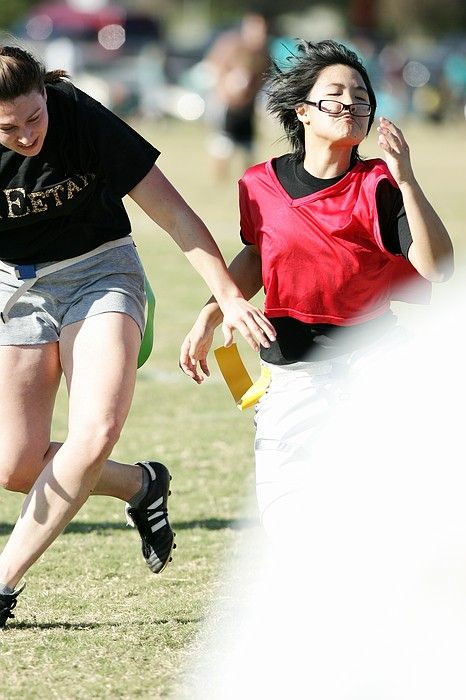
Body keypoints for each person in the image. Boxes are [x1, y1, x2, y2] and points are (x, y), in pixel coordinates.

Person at [0, 44, 275, 629]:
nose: (27, 136)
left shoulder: (78, 114)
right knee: (16, 467)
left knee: (93, 430)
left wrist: (227, 294)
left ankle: (3, 583)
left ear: (45, 96)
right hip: (17, 290)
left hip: (101, 271)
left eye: (34, 117)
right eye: (8, 128)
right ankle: (141, 484)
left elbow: (173, 214)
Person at [180, 39, 454, 540]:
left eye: (361, 96)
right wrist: (212, 312)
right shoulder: (258, 184)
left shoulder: (379, 185)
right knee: (286, 521)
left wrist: (408, 180)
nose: (350, 103)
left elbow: (438, 268)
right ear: (302, 111)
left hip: (376, 360)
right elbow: (260, 256)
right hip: (293, 373)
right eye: (335, 94)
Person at [203, 12, 271, 181]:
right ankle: (220, 179)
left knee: (248, 145)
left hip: (247, 105)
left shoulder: (263, 52)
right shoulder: (232, 45)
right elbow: (214, 67)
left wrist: (252, 93)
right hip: (226, 103)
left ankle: (248, 180)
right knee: (223, 144)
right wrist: (225, 88)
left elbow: (264, 76)